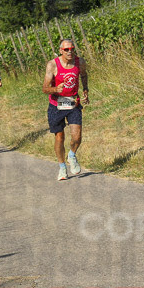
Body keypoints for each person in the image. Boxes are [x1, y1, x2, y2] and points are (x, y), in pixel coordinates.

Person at [42, 39, 88, 181]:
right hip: (56, 104)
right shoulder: (52, 65)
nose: (70, 52)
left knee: (77, 136)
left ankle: (72, 155)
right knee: (60, 137)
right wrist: (55, 89)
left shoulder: (80, 62)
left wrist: (86, 90)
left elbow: (84, 75)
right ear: (61, 50)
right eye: (66, 49)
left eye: (72, 49)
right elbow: (44, 88)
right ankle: (62, 167)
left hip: (73, 102)